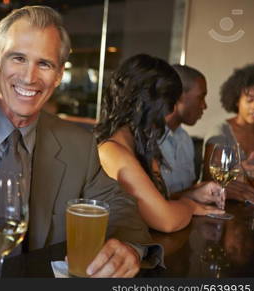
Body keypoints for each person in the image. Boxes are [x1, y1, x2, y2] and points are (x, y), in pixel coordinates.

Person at [0, 6, 161, 278]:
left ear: (58, 75)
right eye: (18, 58)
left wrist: (129, 247)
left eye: (44, 64)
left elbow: (119, 206)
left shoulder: (78, 144)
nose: (29, 77)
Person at [95, 54, 224, 234]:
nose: (169, 113)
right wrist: (190, 205)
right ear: (147, 106)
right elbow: (166, 220)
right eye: (168, 105)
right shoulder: (111, 151)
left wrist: (190, 195)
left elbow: (157, 201)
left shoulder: (141, 147)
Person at [203, 64, 254, 201]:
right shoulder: (220, 133)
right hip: (223, 206)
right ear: (237, 100)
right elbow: (209, 182)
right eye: (250, 100)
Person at [159, 64, 207, 195]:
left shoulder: (185, 139)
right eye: (201, 97)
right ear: (178, 94)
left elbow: (188, 190)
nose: (204, 105)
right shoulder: (148, 139)